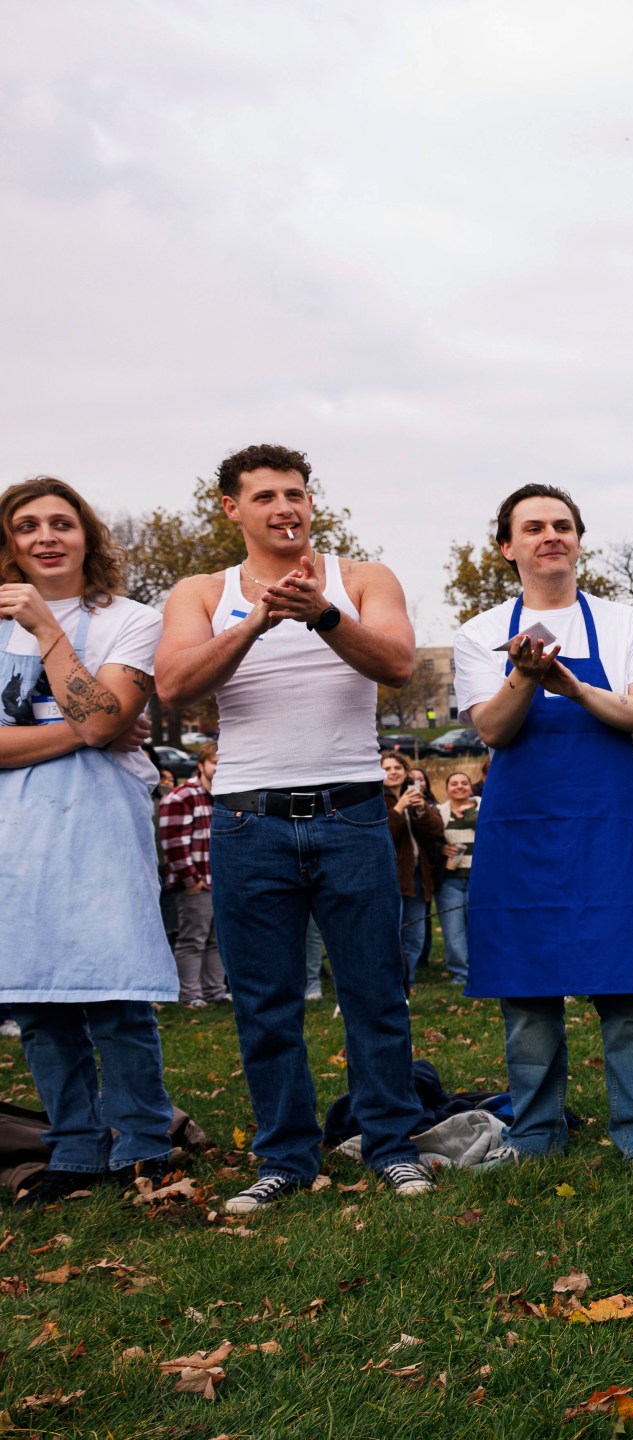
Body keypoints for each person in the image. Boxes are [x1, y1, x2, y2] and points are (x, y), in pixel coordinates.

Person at [154, 444, 435, 1212]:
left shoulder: (362, 579)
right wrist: (255, 621)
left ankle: (391, 1144)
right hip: (249, 823)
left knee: (376, 992)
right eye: (267, 496)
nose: (286, 507)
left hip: (349, 814)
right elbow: (175, 685)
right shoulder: (201, 590)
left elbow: (399, 663)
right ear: (231, 509)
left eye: (297, 494)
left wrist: (322, 614)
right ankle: (284, 1156)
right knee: (265, 1001)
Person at [452, 484, 633, 1178]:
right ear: (508, 547)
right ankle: (534, 1133)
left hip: (611, 829)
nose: (549, 535)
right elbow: (492, 727)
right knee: (527, 990)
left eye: (562, 525)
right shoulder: (478, 631)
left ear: (579, 540)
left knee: (629, 987)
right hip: (523, 832)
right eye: (533, 527)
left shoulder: (626, 624)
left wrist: (573, 686)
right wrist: (526, 676)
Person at [0, 476, 182, 1204]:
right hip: (14, 837)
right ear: (8, 542)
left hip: (100, 825)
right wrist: (84, 730)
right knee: (37, 999)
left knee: (115, 992)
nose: (46, 536)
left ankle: (143, 1141)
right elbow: (99, 722)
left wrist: (49, 631)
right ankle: (74, 1145)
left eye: (61, 523)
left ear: (87, 536)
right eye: (27, 525)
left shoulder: (131, 620)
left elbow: (111, 723)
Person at [157, 746, 229, 1007]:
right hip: (196, 884)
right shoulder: (182, 797)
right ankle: (189, 995)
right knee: (191, 940)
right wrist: (191, 881)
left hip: (221, 883)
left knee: (217, 941)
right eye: (215, 763)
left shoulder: (226, 796)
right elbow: (173, 843)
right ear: (201, 765)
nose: (219, 769)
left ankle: (215, 992)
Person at [380, 751, 445, 984]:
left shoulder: (416, 795)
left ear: (406, 771)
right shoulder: (374, 799)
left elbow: (437, 830)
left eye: (397, 768)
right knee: (390, 933)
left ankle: (409, 980)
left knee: (415, 934)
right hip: (389, 878)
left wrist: (420, 810)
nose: (393, 772)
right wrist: (399, 808)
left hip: (418, 876)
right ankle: (392, 982)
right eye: (387, 769)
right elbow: (383, 835)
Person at [436, 770, 479, 988]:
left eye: (464, 783)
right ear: (447, 789)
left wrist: (469, 812)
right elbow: (431, 839)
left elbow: (485, 827)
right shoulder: (439, 812)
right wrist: (441, 848)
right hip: (451, 880)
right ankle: (460, 974)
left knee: (479, 928)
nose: (459, 786)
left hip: (479, 879)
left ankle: (482, 969)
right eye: (454, 783)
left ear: (471, 787)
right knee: (453, 930)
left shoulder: (483, 807)